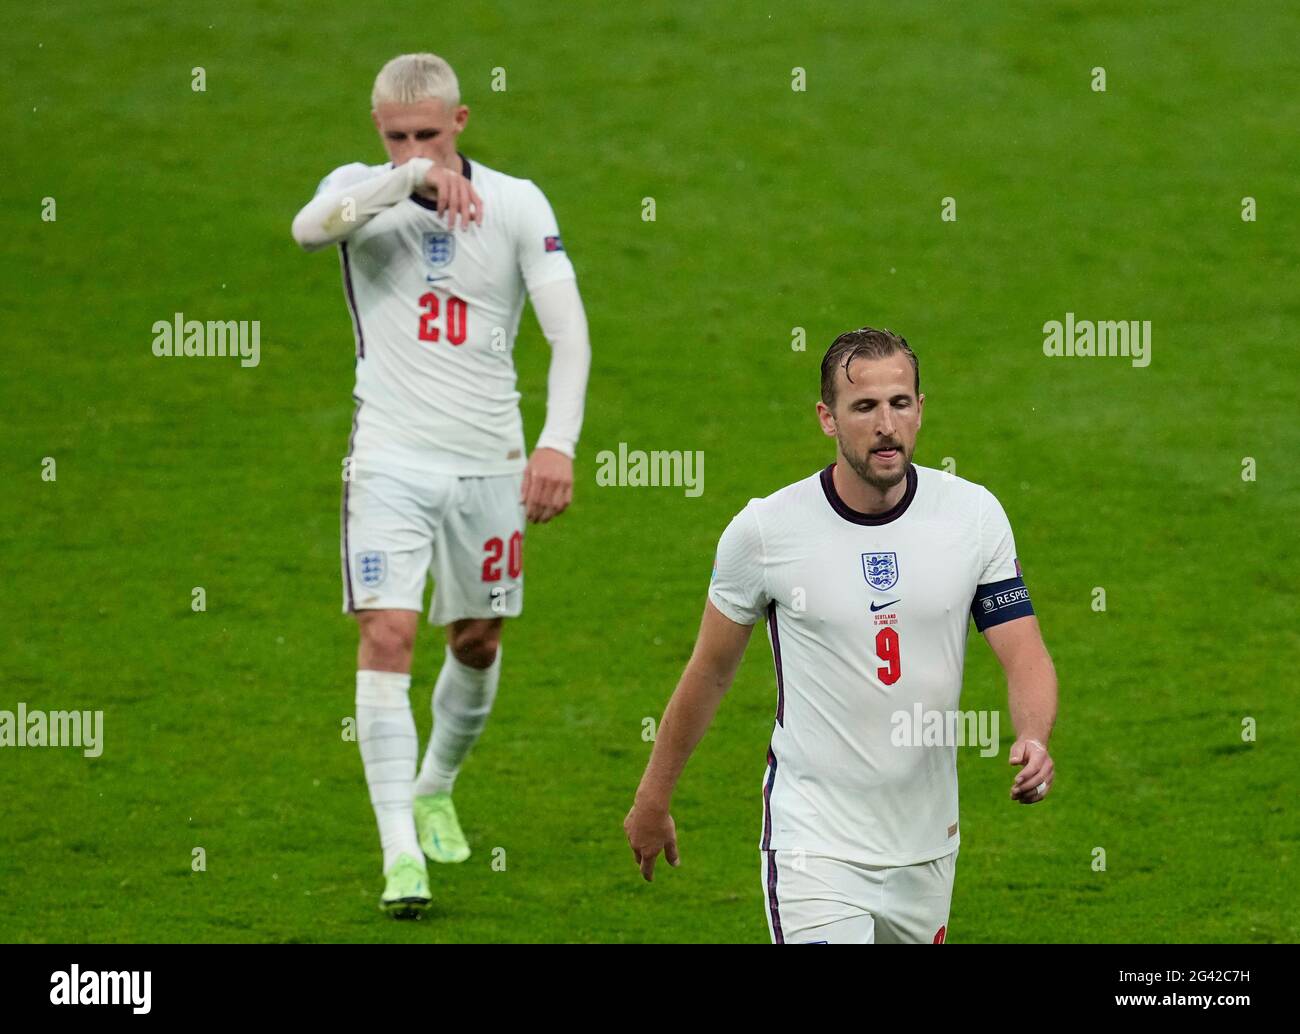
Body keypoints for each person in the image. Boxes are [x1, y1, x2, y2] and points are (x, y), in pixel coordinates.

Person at [625, 327, 1057, 943]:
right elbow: (711, 670)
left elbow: (1024, 650)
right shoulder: (766, 532)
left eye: (900, 403)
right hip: (814, 845)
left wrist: (1035, 737)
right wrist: (653, 795)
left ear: (920, 408)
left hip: (927, 844)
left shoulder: (973, 516)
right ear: (827, 419)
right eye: (865, 407)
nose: (886, 424)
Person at [292, 52, 591, 918]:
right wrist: (408, 182)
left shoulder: (518, 202)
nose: (412, 148)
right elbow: (309, 230)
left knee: (477, 640)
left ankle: (434, 787)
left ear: (462, 122)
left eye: (428, 135)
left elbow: (568, 335)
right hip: (388, 456)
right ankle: (399, 856)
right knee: (387, 635)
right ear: (378, 132)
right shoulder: (360, 192)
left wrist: (557, 446)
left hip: (491, 462)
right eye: (396, 137)